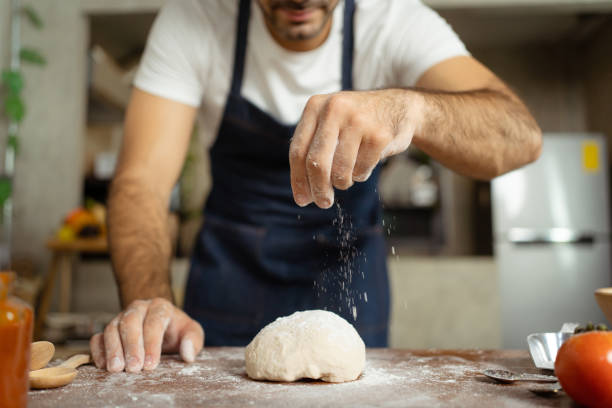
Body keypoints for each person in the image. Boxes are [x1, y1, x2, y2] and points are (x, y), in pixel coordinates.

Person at [89, 0, 541, 373]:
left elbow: (521, 137)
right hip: (229, 283)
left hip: (349, 284)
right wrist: (149, 301)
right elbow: (141, 182)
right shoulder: (195, 19)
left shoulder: (393, 21)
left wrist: (414, 111)